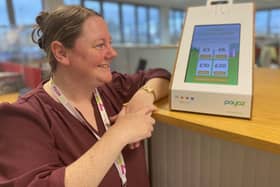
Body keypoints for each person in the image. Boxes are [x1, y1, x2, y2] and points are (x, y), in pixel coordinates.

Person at [0, 5, 170, 187]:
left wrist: (143, 97)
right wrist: (120, 133)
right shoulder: (25, 118)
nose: (112, 53)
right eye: (100, 45)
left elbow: (161, 76)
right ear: (61, 52)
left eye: (110, 43)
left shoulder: (111, 88)